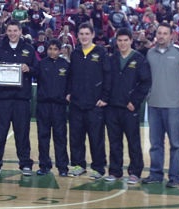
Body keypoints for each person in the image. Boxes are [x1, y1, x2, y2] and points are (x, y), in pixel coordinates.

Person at [143, 22, 179, 188]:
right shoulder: (150, 53)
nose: (162, 36)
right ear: (156, 35)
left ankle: (175, 177)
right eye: (159, 33)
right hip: (154, 105)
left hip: (174, 106)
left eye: (165, 33)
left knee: (175, 144)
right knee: (155, 143)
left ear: (172, 35)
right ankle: (156, 174)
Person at [0, 20, 37, 175]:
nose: (13, 33)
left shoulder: (29, 49)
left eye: (15, 30)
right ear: (6, 32)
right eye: (10, 30)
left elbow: (37, 70)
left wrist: (29, 69)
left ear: (20, 31)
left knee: (22, 133)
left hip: (22, 99)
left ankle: (25, 164)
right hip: (3, 98)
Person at [105, 28, 151, 184]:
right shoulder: (112, 58)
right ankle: (115, 171)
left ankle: (135, 171)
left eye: (126, 40)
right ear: (116, 41)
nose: (123, 43)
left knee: (133, 141)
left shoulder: (139, 59)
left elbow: (145, 83)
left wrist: (135, 101)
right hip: (112, 107)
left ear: (131, 40)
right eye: (120, 40)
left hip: (130, 108)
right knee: (114, 141)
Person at [66, 23, 111, 179]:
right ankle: (79, 165)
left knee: (96, 137)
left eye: (87, 33)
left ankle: (98, 168)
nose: (84, 36)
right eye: (81, 34)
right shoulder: (76, 53)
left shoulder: (101, 52)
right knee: (76, 136)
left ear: (92, 35)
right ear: (78, 35)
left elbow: (108, 76)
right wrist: (69, 92)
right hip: (77, 103)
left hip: (94, 104)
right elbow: (70, 75)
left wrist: (105, 97)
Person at [34, 39, 69, 176]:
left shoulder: (65, 65)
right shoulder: (41, 64)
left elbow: (70, 84)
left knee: (60, 137)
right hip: (43, 105)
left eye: (55, 49)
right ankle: (44, 165)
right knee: (43, 136)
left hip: (59, 106)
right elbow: (31, 72)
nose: (52, 51)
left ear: (60, 50)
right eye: (50, 49)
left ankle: (63, 167)